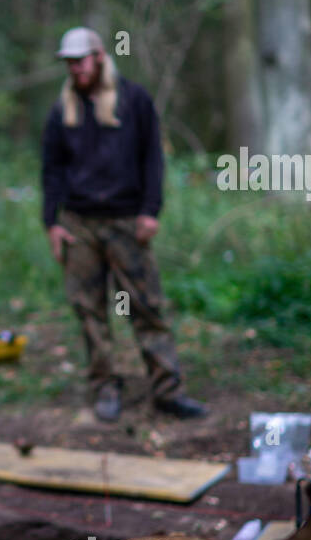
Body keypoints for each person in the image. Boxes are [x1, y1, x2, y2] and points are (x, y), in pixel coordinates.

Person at [41, 26, 206, 423]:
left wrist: (151, 210)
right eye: (69, 63)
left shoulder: (134, 100)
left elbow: (153, 157)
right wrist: (52, 223)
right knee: (89, 311)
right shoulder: (62, 110)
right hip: (79, 224)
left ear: (99, 56)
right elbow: (52, 171)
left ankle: (167, 390)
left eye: (80, 61)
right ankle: (105, 387)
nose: (75, 69)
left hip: (127, 221)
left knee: (146, 306)